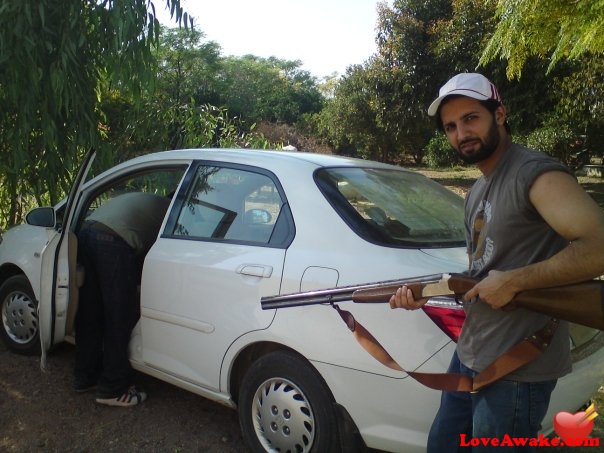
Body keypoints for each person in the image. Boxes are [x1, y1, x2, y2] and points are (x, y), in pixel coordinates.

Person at [389, 73, 604, 451]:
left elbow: (599, 245)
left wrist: (516, 281)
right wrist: (428, 294)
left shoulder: (534, 174)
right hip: (472, 352)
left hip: (517, 368)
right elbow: (483, 276)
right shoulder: (477, 193)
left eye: (471, 118)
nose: (461, 133)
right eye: (451, 126)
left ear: (499, 114)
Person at [74, 191, 171, 407]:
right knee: (119, 315)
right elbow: (157, 255)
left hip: (88, 232)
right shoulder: (171, 212)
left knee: (90, 311)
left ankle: (85, 377)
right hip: (113, 241)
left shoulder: (149, 201)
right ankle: (113, 387)